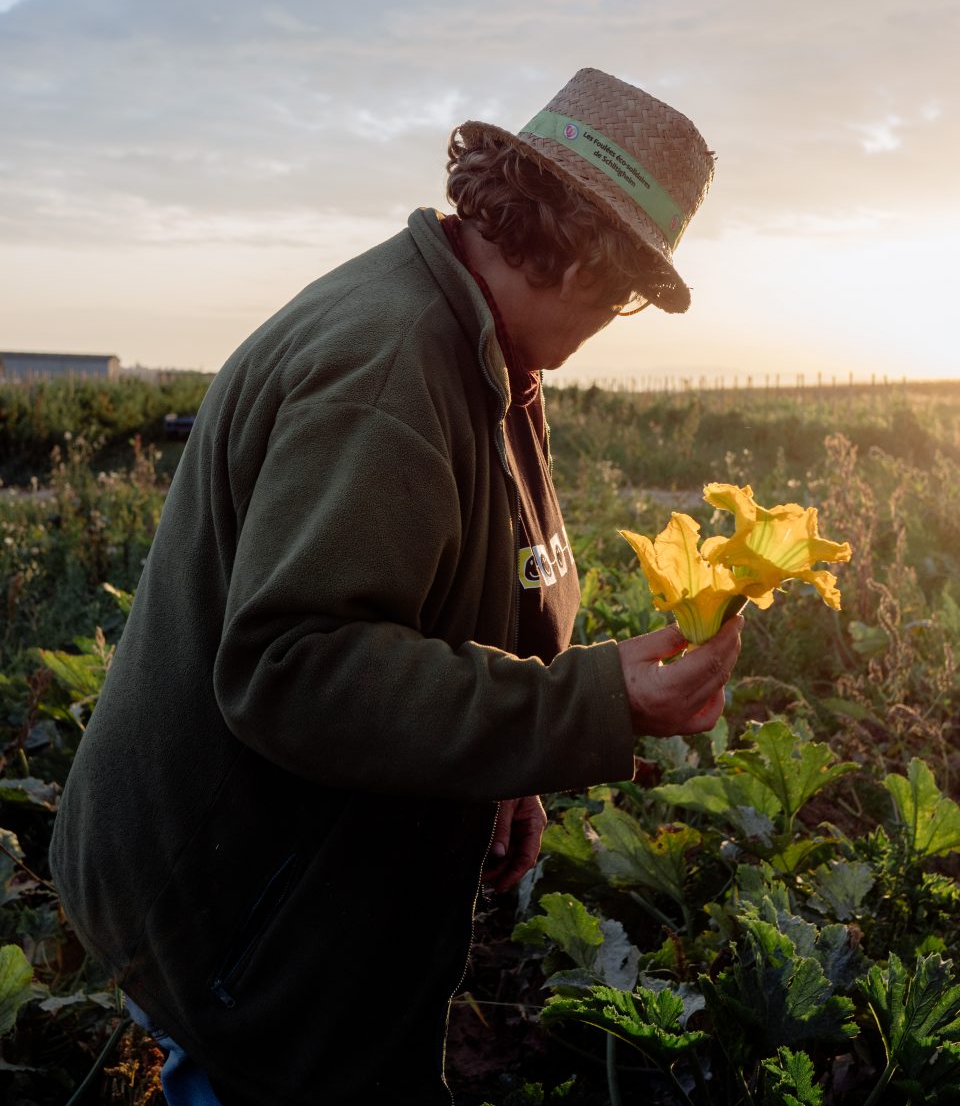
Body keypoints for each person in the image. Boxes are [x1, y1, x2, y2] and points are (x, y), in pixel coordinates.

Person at [50, 67, 741, 1105]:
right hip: (237, 924)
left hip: (299, 896)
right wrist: (592, 701)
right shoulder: (389, 365)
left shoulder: (484, 345)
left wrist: (508, 760)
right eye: (629, 289)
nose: (616, 315)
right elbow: (296, 668)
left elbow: (465, 583)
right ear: (593, 265)